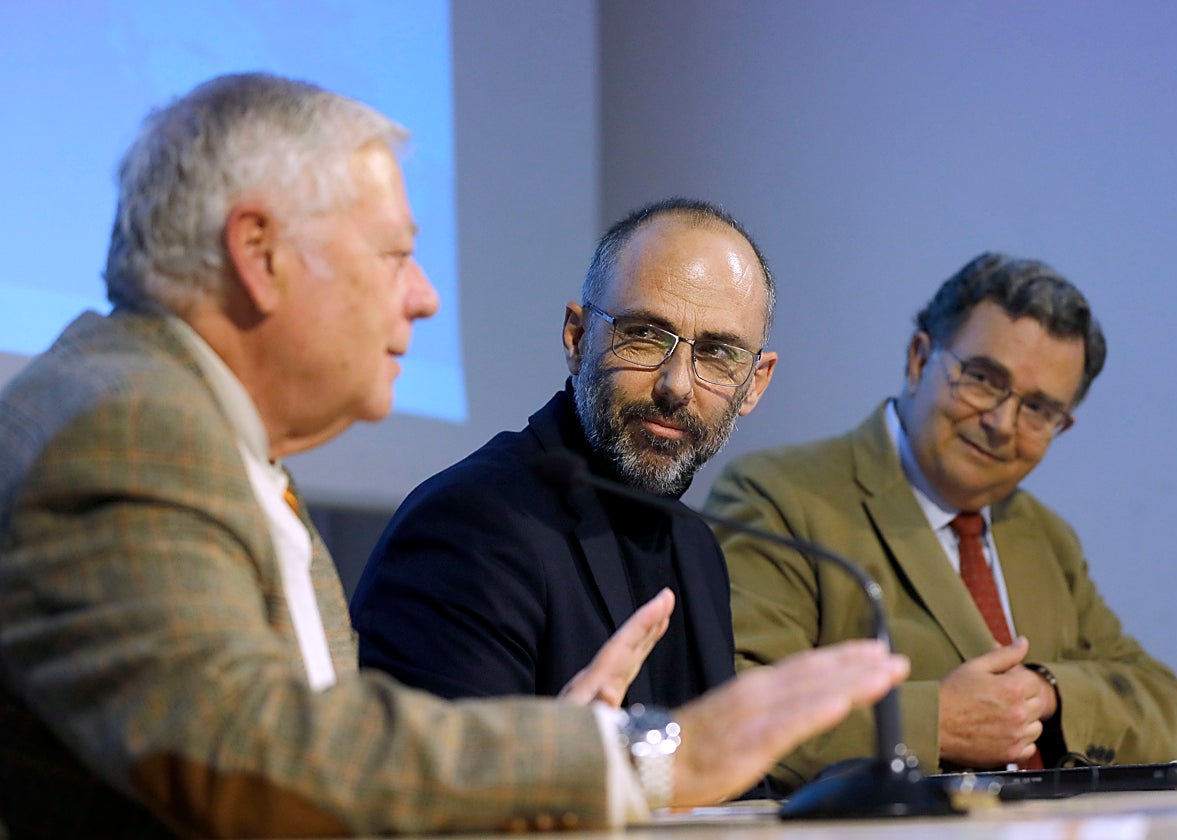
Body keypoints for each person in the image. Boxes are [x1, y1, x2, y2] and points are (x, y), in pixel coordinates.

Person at [0, 72, 909, 838]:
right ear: (258, 253)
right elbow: (249, 752)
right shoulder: (127, 431)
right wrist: (642, 757)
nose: (427, 298)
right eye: (394, 254)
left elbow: (333, 773)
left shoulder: (205, 443)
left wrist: (538, 769)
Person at [705, 252, 1177, 792]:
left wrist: (1048, 693)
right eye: (983, 378)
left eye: (1038, 409)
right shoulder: (780, 495)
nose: (1001, 424)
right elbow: (738, 703)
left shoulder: (1045, 534)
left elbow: (1159, 701)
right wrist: (938, 723)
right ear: (918, 359)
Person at [351, 199, 776, 713]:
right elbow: (449, 785)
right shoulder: (469, 526)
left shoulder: (696, 546)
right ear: (576, 338)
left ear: (754, 384)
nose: (677, 386)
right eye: (643, 336)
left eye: (716, 353)